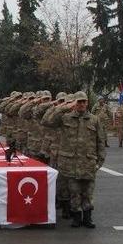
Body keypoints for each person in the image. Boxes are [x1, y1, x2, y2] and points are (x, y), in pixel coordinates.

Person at [42, 91, 106, 228]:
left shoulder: (94, 120)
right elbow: (46, 121)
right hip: (71, 163)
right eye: (79, 102)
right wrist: (64, 106)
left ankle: (87, 218)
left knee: (88, 193)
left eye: (84, 101)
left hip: (88, 163)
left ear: (87, 103)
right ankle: (76, 217)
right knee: (74, 192)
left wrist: (100, 161)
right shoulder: (65, 118)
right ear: (74, 103)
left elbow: (100, 141)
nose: (82, 104)